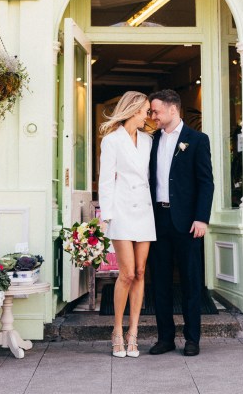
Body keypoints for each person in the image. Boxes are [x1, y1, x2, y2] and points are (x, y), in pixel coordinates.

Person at [148, 89, 214, 357]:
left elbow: (206, 182)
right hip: (157, 220)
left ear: (172, 109)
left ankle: (192, 338)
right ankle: (165, 338)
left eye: (156, 111)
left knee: (190, 281)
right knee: (160, 282)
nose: (153, 116)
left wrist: (201, 218)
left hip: (187, 222)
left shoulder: (196, 140)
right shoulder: (151, 140)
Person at [99, 91, 156, 358]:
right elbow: (106, 181)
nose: (149, 115)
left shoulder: (148, 141)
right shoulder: (111, 141)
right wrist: (107, 216)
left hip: (144, 211)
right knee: (127, 273)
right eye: (146, 110)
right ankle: (117, 332)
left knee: (141, 271)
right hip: (121, 212)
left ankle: (134, 332)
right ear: (134, 110)